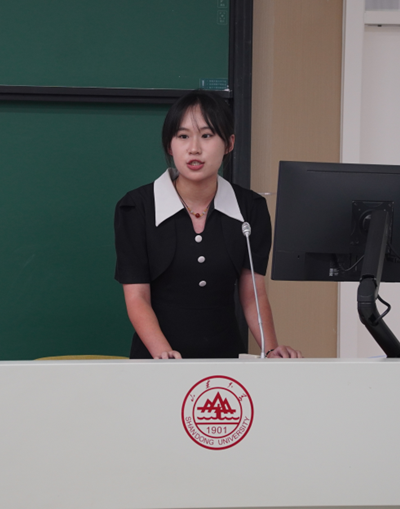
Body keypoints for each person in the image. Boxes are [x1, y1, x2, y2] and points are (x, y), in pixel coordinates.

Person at [114, 90, 301, 359]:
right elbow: (137, 297)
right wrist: (164, 355)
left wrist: (271, 350)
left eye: (207, 135)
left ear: (229, 143)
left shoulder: (250, 207)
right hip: (157, 361)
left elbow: (253, 295)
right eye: (183, 136)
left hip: (225, 364)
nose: (194, 148)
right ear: (169, 146)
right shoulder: (136, 207)